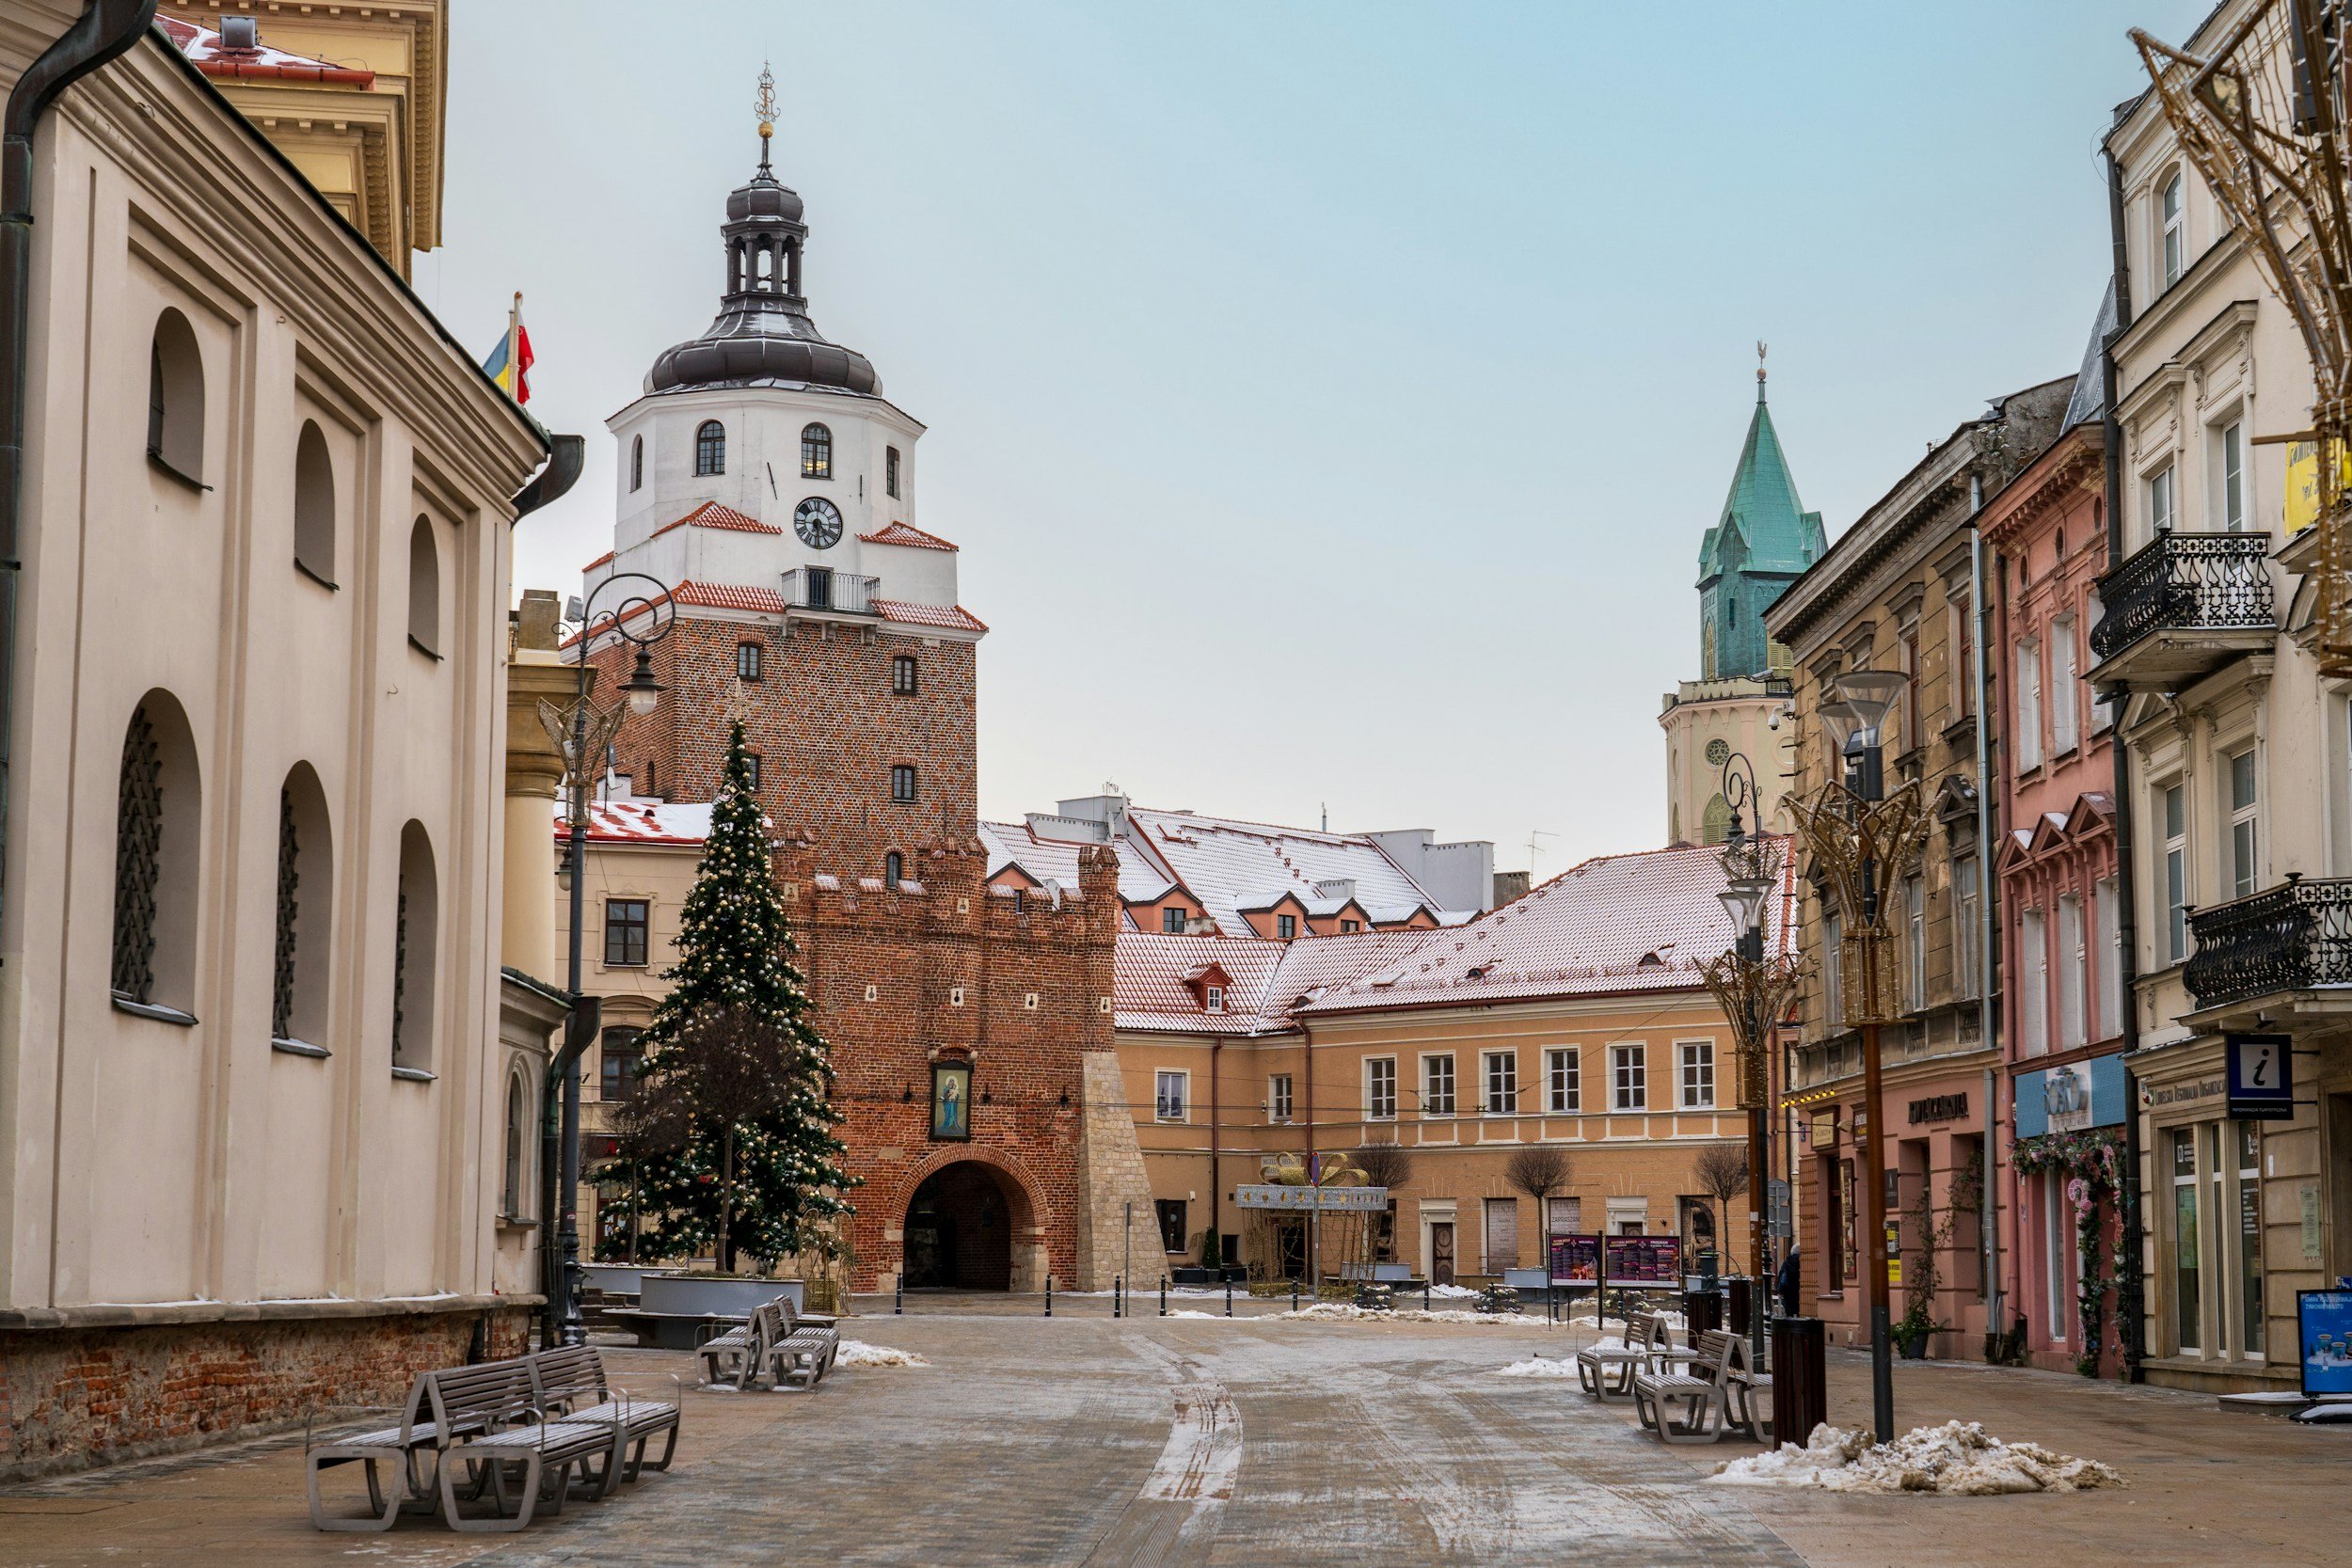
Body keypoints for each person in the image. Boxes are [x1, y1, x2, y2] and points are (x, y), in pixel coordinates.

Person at [1777, 1243, 1801, 1317]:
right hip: (1799, 1293)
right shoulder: (1803, 1262)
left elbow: (1783, 1279)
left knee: (1789, 1314)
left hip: (1789, 1294)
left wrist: (1781, 1291)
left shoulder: (1787, 1263)